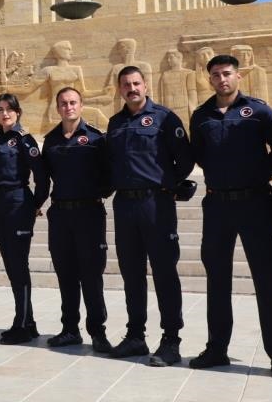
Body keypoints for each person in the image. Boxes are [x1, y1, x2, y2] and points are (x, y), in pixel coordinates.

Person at [189, 55, 272, 378]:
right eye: (216, 75)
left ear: (239, 76)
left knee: (266, 281)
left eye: (227, 73)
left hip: (256, 204)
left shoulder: (259, 111)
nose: (222, 79)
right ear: (210, 80)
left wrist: (265, 171)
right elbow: (200, 155)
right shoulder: (201, 115)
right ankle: (217, 348)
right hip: (218, 206)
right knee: (217, 280)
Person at [104, 65, 193, 365]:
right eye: (126, 84)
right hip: (125, 206)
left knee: (165, 272)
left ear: (145, 85)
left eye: (136, 83)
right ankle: (135, 336)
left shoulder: (164, 118)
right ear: (120, 89)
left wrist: (166, 183)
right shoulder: (115, 123)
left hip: (156, 205)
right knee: (132, 273)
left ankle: (171, 340)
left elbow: (185, 159)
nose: (132, 88)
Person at [34, 87, 112, 353]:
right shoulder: (51, 140)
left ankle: (98, 332)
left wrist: (95, 194)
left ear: (81, 105)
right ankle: (70, 329)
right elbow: (45, 178)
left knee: (91, 275)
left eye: (73, 102)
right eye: (63, 103)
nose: (68, 107)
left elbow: (108, 175)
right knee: (65, 275)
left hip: (89, 214)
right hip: (61, 216)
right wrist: (35, 204)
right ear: (58, 108)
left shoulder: (95, 138)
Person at [0, 93, 41, 345]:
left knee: (19, 265)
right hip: (0, 205)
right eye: (0, 109)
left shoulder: (24, 140)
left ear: (17, 112)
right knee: (11, 266)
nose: (5, 113)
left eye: (9, 109)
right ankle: (28, 322)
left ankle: (21, 325)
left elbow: (42, 177)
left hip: (19, 203)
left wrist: (34, 205)